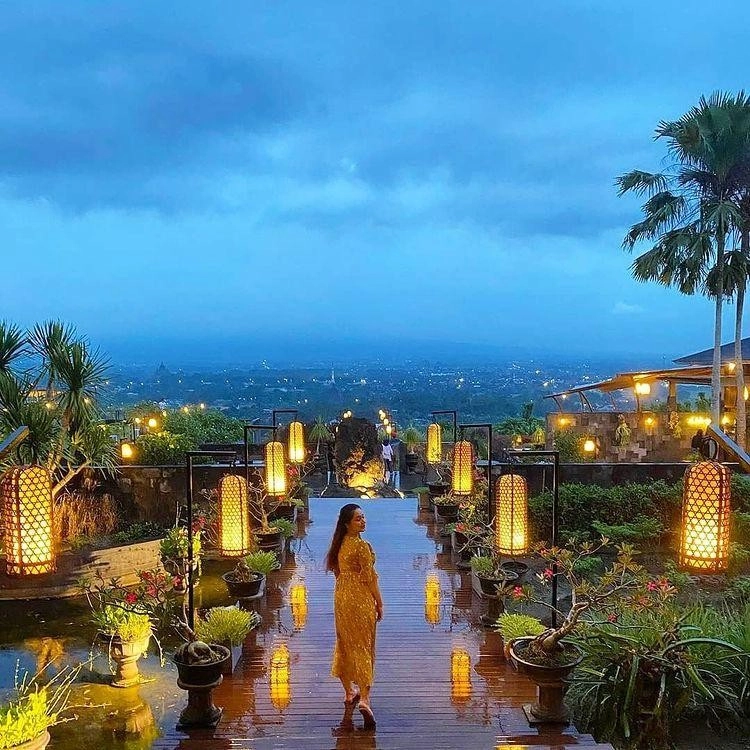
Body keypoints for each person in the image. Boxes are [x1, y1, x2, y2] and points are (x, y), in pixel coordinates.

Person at [326, 503, 383, 729]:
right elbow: (369, 578)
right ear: (348, 523)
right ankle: (366, 700)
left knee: (345, 643)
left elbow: (338, 573)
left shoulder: (339, 544)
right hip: (360, 599)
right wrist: (379, 602)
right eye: (358, 519)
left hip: (342, 598)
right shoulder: (361, 546)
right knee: (364, 646)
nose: (363, 521)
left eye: (363, 517)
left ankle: (350, 692)